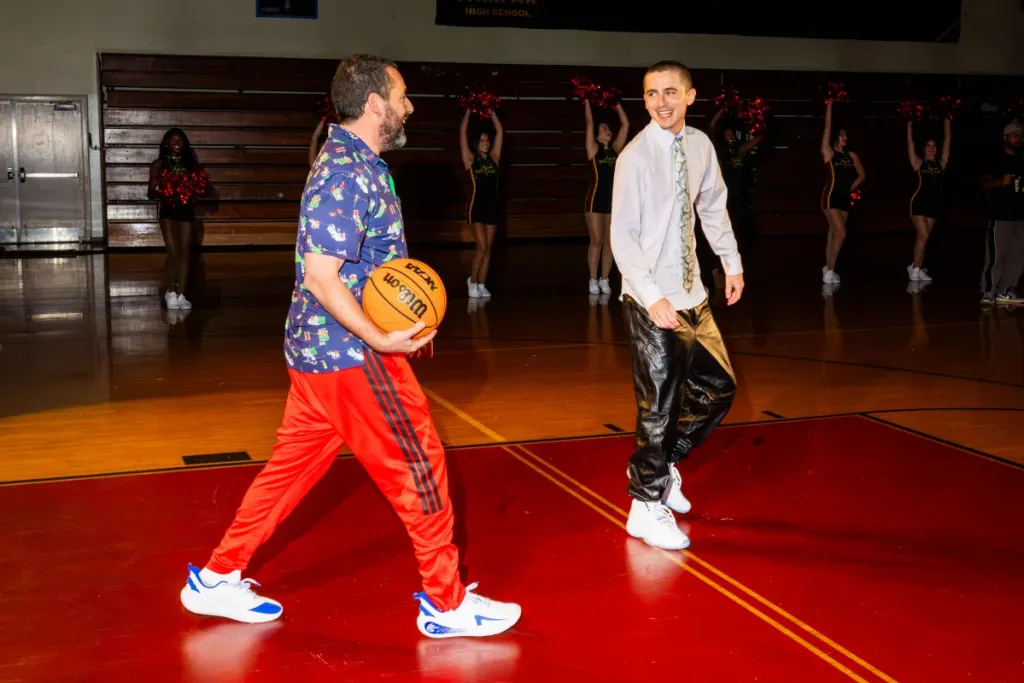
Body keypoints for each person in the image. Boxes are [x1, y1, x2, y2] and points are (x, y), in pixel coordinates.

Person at [178, 54, 522, 638]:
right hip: (352, 356)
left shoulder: (356, 162)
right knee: (421, 468)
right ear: (374, 105)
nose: (410, 106)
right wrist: (382, 337)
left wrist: (401, 321)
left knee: (287, 474)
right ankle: (446, 602)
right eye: (403, 95)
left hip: (319, 355)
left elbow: (361, 270)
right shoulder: (346, 171)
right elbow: (320, 274)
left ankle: (216, 578)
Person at [610, 60, 744, 551]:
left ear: (690, 96)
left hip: (694, 296)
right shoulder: (635, 157)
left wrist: (731, 262)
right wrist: (652, 297)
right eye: (651, 94)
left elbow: (712, 206)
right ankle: (644, 506)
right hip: (653, 297)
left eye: (670, 92)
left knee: (719, 388)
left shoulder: (701, 146)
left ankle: (663, 468)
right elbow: (621, 237)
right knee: (658, 407)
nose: (660, 102)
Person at [148, 128, 201, 310]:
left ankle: (182, 294)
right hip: (167, 210)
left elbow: (202, 189)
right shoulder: (159, 164)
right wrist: (159, 186)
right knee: (173, 251)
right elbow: (150, 194)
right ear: (166, 144)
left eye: (180, 140)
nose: (177, 143)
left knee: (185, 251)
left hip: (186, 209)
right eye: (173, 140)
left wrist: (198, 187)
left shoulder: (191, 164)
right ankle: (170, 291)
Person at [583, 99, 629, 295]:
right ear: (597, 134)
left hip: (613, 202)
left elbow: (626, 124)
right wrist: (586, 100)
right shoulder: (594, 149)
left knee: (611, 242)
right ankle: (592, 280)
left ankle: (605, 279)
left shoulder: (616, 149)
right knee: (597, 241)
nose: (607, 130)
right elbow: (589, 123)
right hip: (595, 200)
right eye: (604, 128)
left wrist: (615, 102)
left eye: (608, 128)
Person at [820, 100, 866, 284]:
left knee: (833, 233)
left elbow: (862, 175)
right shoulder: (829, 153)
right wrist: (829, 106)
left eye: (846, 135)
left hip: (844, 198)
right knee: (841, 233)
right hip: (830, 197)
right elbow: (827, 127)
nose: (845, 138)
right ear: (836, 137)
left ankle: (828, 268)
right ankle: (830, 270)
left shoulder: (852, 155)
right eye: (842, 135)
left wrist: (850, 188)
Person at [460, 109, 503, 298]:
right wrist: (468, 113)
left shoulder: (494, 158)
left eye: (488, 141)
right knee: (482, 247)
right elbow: (462, 133)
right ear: (477, 143)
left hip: (492, 206)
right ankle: (473, 281)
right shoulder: (470, 159)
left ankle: (482, 284)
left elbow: (500, 131)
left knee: (489, 249)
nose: (486, 143)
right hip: (476, 207)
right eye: (482, 141)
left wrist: (492, 113)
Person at [980, 121, 1024, 306]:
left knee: (1017, 254)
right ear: (1005, 137)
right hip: (1000, 215)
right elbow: (984, 184)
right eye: (1014, 134)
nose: (1018, 138)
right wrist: (1000, 182)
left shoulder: (1022, 159)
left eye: (1021, 135)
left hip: (1020, 215)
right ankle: (989, 290)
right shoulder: (995, 159)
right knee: (996, 255)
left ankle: (1006, 289)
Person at [709, 106, 764, 256]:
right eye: (727, 134)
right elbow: (711, 127)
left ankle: (735, 245)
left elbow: (759, 138)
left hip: (739, 189)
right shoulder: (721, 149)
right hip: (724, 189)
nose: (730, 135)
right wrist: (720, 111)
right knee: (724, 218)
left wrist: (756, 118)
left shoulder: (740, 148)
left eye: (731, 133)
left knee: (738, 218)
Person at [906, 117, 951, 282]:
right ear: (924, 149)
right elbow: (910, 143)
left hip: (933, 205)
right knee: (924, 236)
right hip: (918, 203)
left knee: (922, 238)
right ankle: (916, 270)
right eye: (928, 146)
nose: (931, 148)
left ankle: (915, 266)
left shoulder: (941, 164)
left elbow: (947, 141)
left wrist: (947, 118)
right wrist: (909, 121)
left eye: (934, 146)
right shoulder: (918, 163)